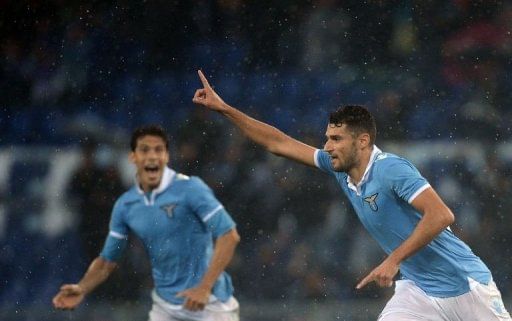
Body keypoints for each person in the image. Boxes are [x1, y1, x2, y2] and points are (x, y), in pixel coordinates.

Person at [192, 70, 511, 321]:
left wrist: (393, 259)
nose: (327, 146)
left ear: (362, 142)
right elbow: (279, 143)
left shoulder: (391, 170)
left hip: (464, 285)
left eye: (336, 139)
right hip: (419, 289)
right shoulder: (339, 169)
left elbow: (442, 215)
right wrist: (224, 109)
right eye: (326, 138)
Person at [53, 125, 241, 321]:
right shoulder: (126, 205)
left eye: (158, 150)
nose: (152, 156)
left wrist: (204, 287)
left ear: (167, 156)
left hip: (210, 304)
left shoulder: (191, 189)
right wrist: (82, 288)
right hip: (166, 307)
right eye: (145, 150)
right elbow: (107, 260)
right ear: (133, 157)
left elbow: (229, 235)